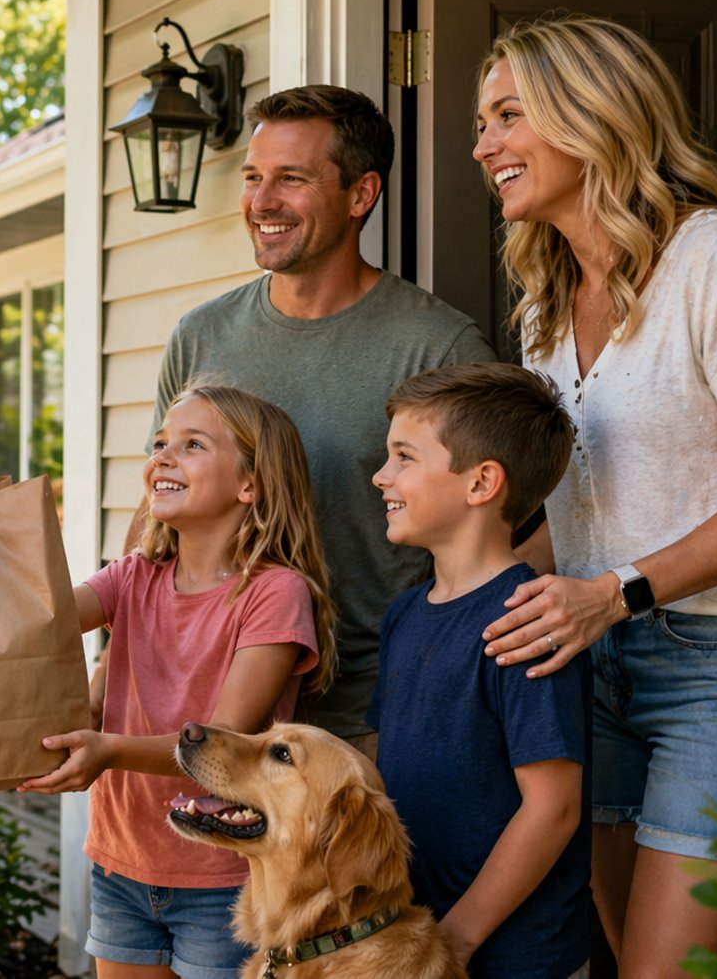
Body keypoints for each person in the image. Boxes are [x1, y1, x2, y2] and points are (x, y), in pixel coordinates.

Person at [468, 16, 717, 974]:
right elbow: (586, 517)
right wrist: (472, 602)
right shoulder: (547, 306)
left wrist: (612, 591)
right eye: (481, 122)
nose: (483, 145)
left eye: (508, 116)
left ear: (591, 114)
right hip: (599, 663)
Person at [135, 85, 497, 757]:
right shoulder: (201, 336)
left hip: (368, 721)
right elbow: (157, 518)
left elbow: (504, 542)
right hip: (203, 716)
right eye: (252, 178)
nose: (261, 202)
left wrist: (438, 684)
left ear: (361, 194)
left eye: (291, 180)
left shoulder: (436, 348)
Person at [22, 384, 335, 979]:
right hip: (121, 861)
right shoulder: (132, 577)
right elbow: (41, 622)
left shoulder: (275, 594)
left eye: (192, 445)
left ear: (251, 485)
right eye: (161, 443)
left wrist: (109, 751)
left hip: (225, 877)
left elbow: (221, 745)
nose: (162, 456)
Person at [369, 363, 589, 978]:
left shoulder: (528, 621)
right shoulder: (405, 615)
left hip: (511, 957)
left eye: (403, 457)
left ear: (481, 482)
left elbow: (552, 810)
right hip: (415, 943)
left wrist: (456, 940)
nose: (380, 475)